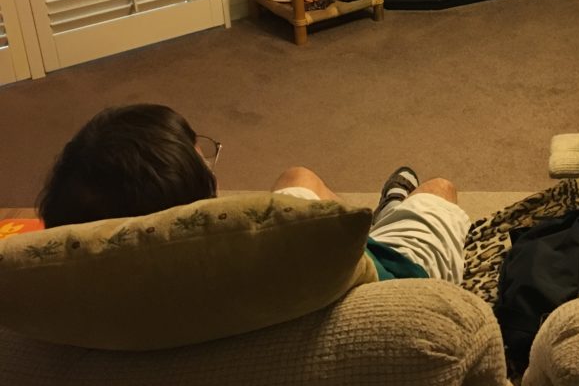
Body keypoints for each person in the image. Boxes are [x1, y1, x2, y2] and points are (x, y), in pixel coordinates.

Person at [37, 104, 470, 284]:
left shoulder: (66, 294)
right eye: (203, 164)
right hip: (379, 271)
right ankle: (392, 212)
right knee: (439, 188)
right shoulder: (272, 257)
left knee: (299, 176)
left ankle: (385, 213)